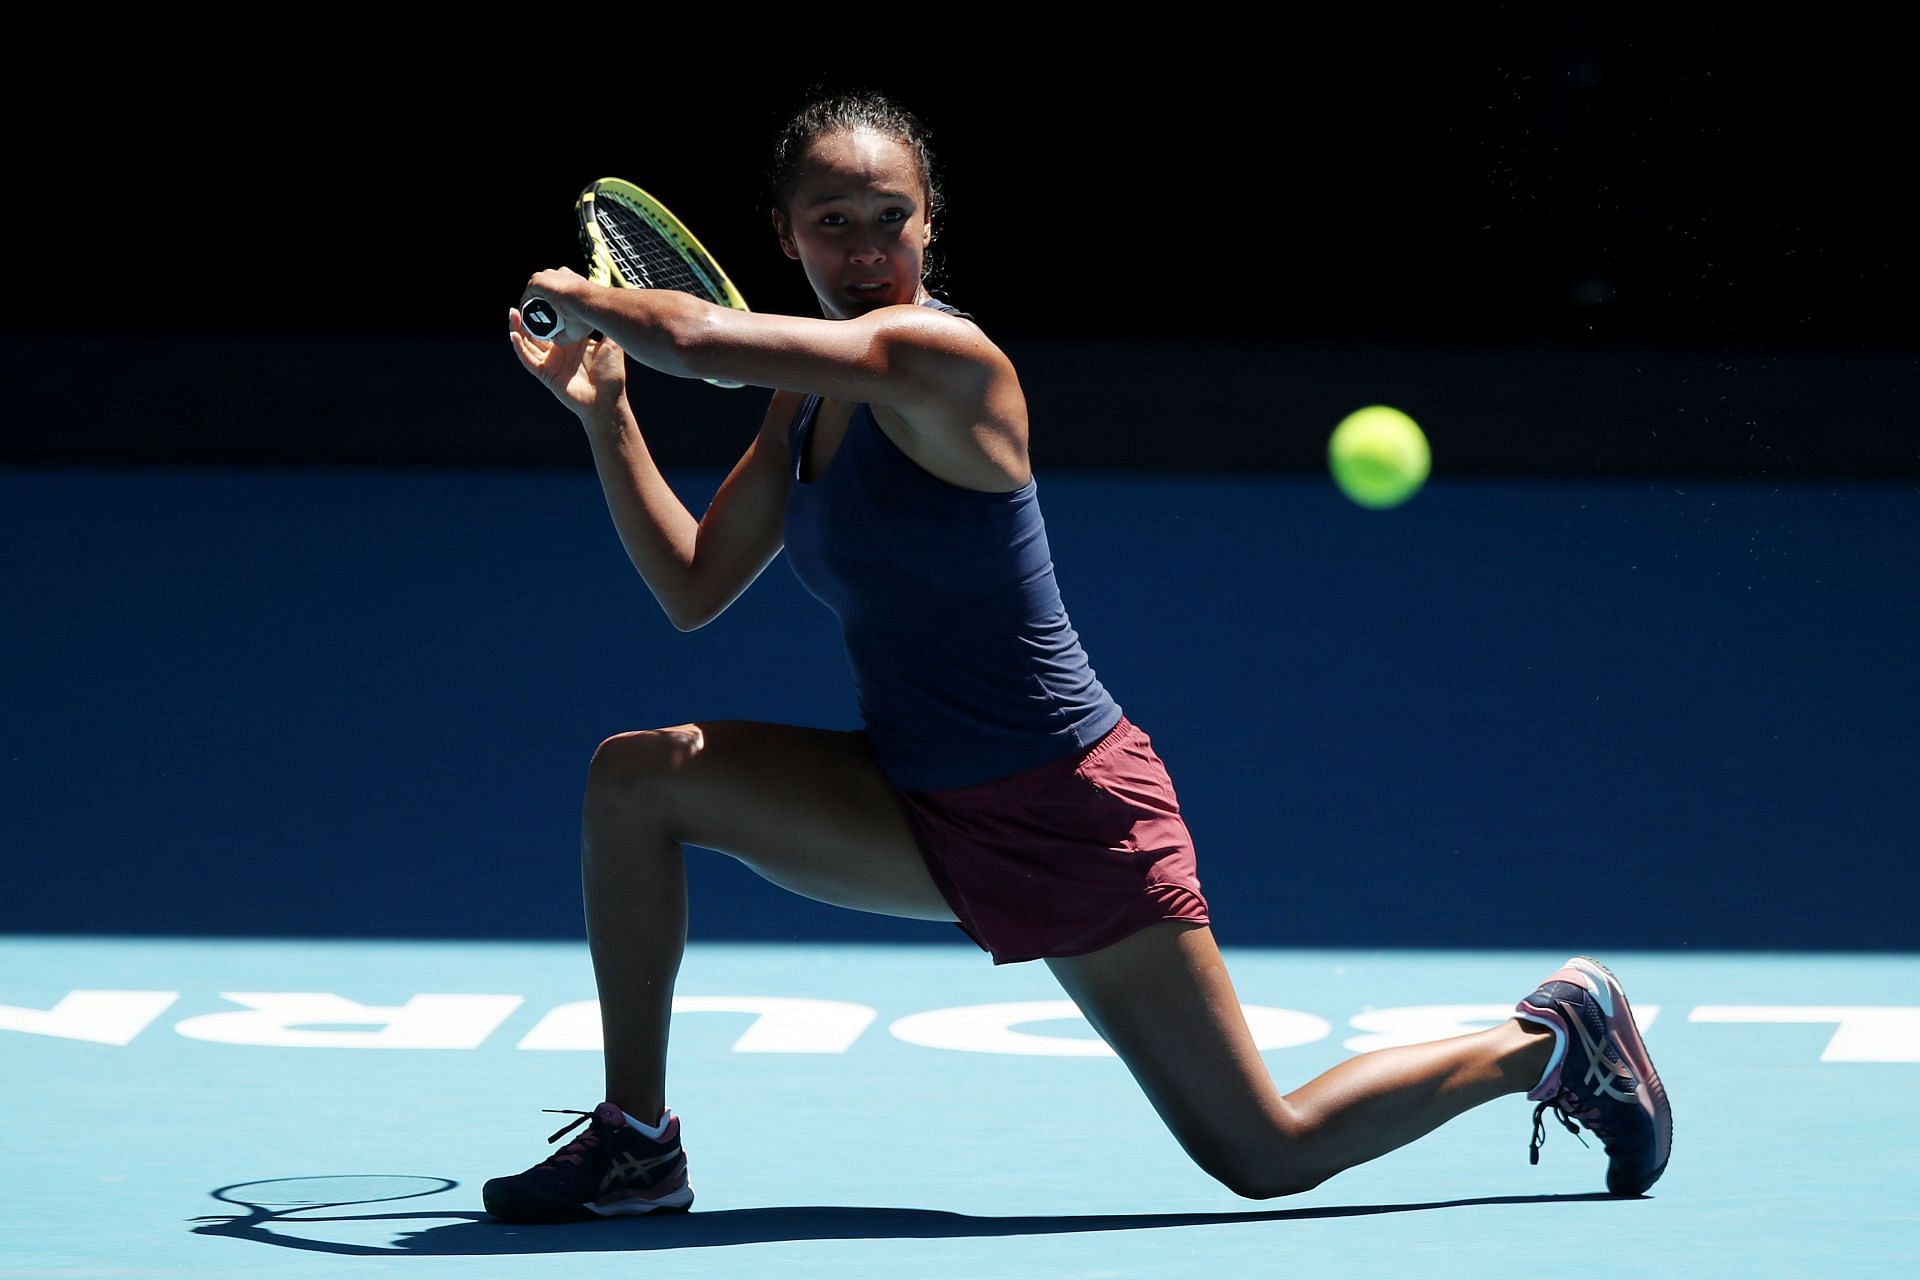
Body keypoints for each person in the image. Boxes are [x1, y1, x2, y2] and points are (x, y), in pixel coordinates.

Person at [483, 90, 1671, 1222]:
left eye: (888, 217)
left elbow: (703, 337)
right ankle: (637, 1141)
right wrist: (610, 414)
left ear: (930, 220)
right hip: (910, 794)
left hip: (1068, 806)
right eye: (831, 223)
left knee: (1262, 1150)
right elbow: (693, 585)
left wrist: (571, 293)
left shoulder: (949, 363)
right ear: (785, 232)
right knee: (637, 779)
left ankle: (1555, 1036)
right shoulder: (801, 402)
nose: (863, 249)